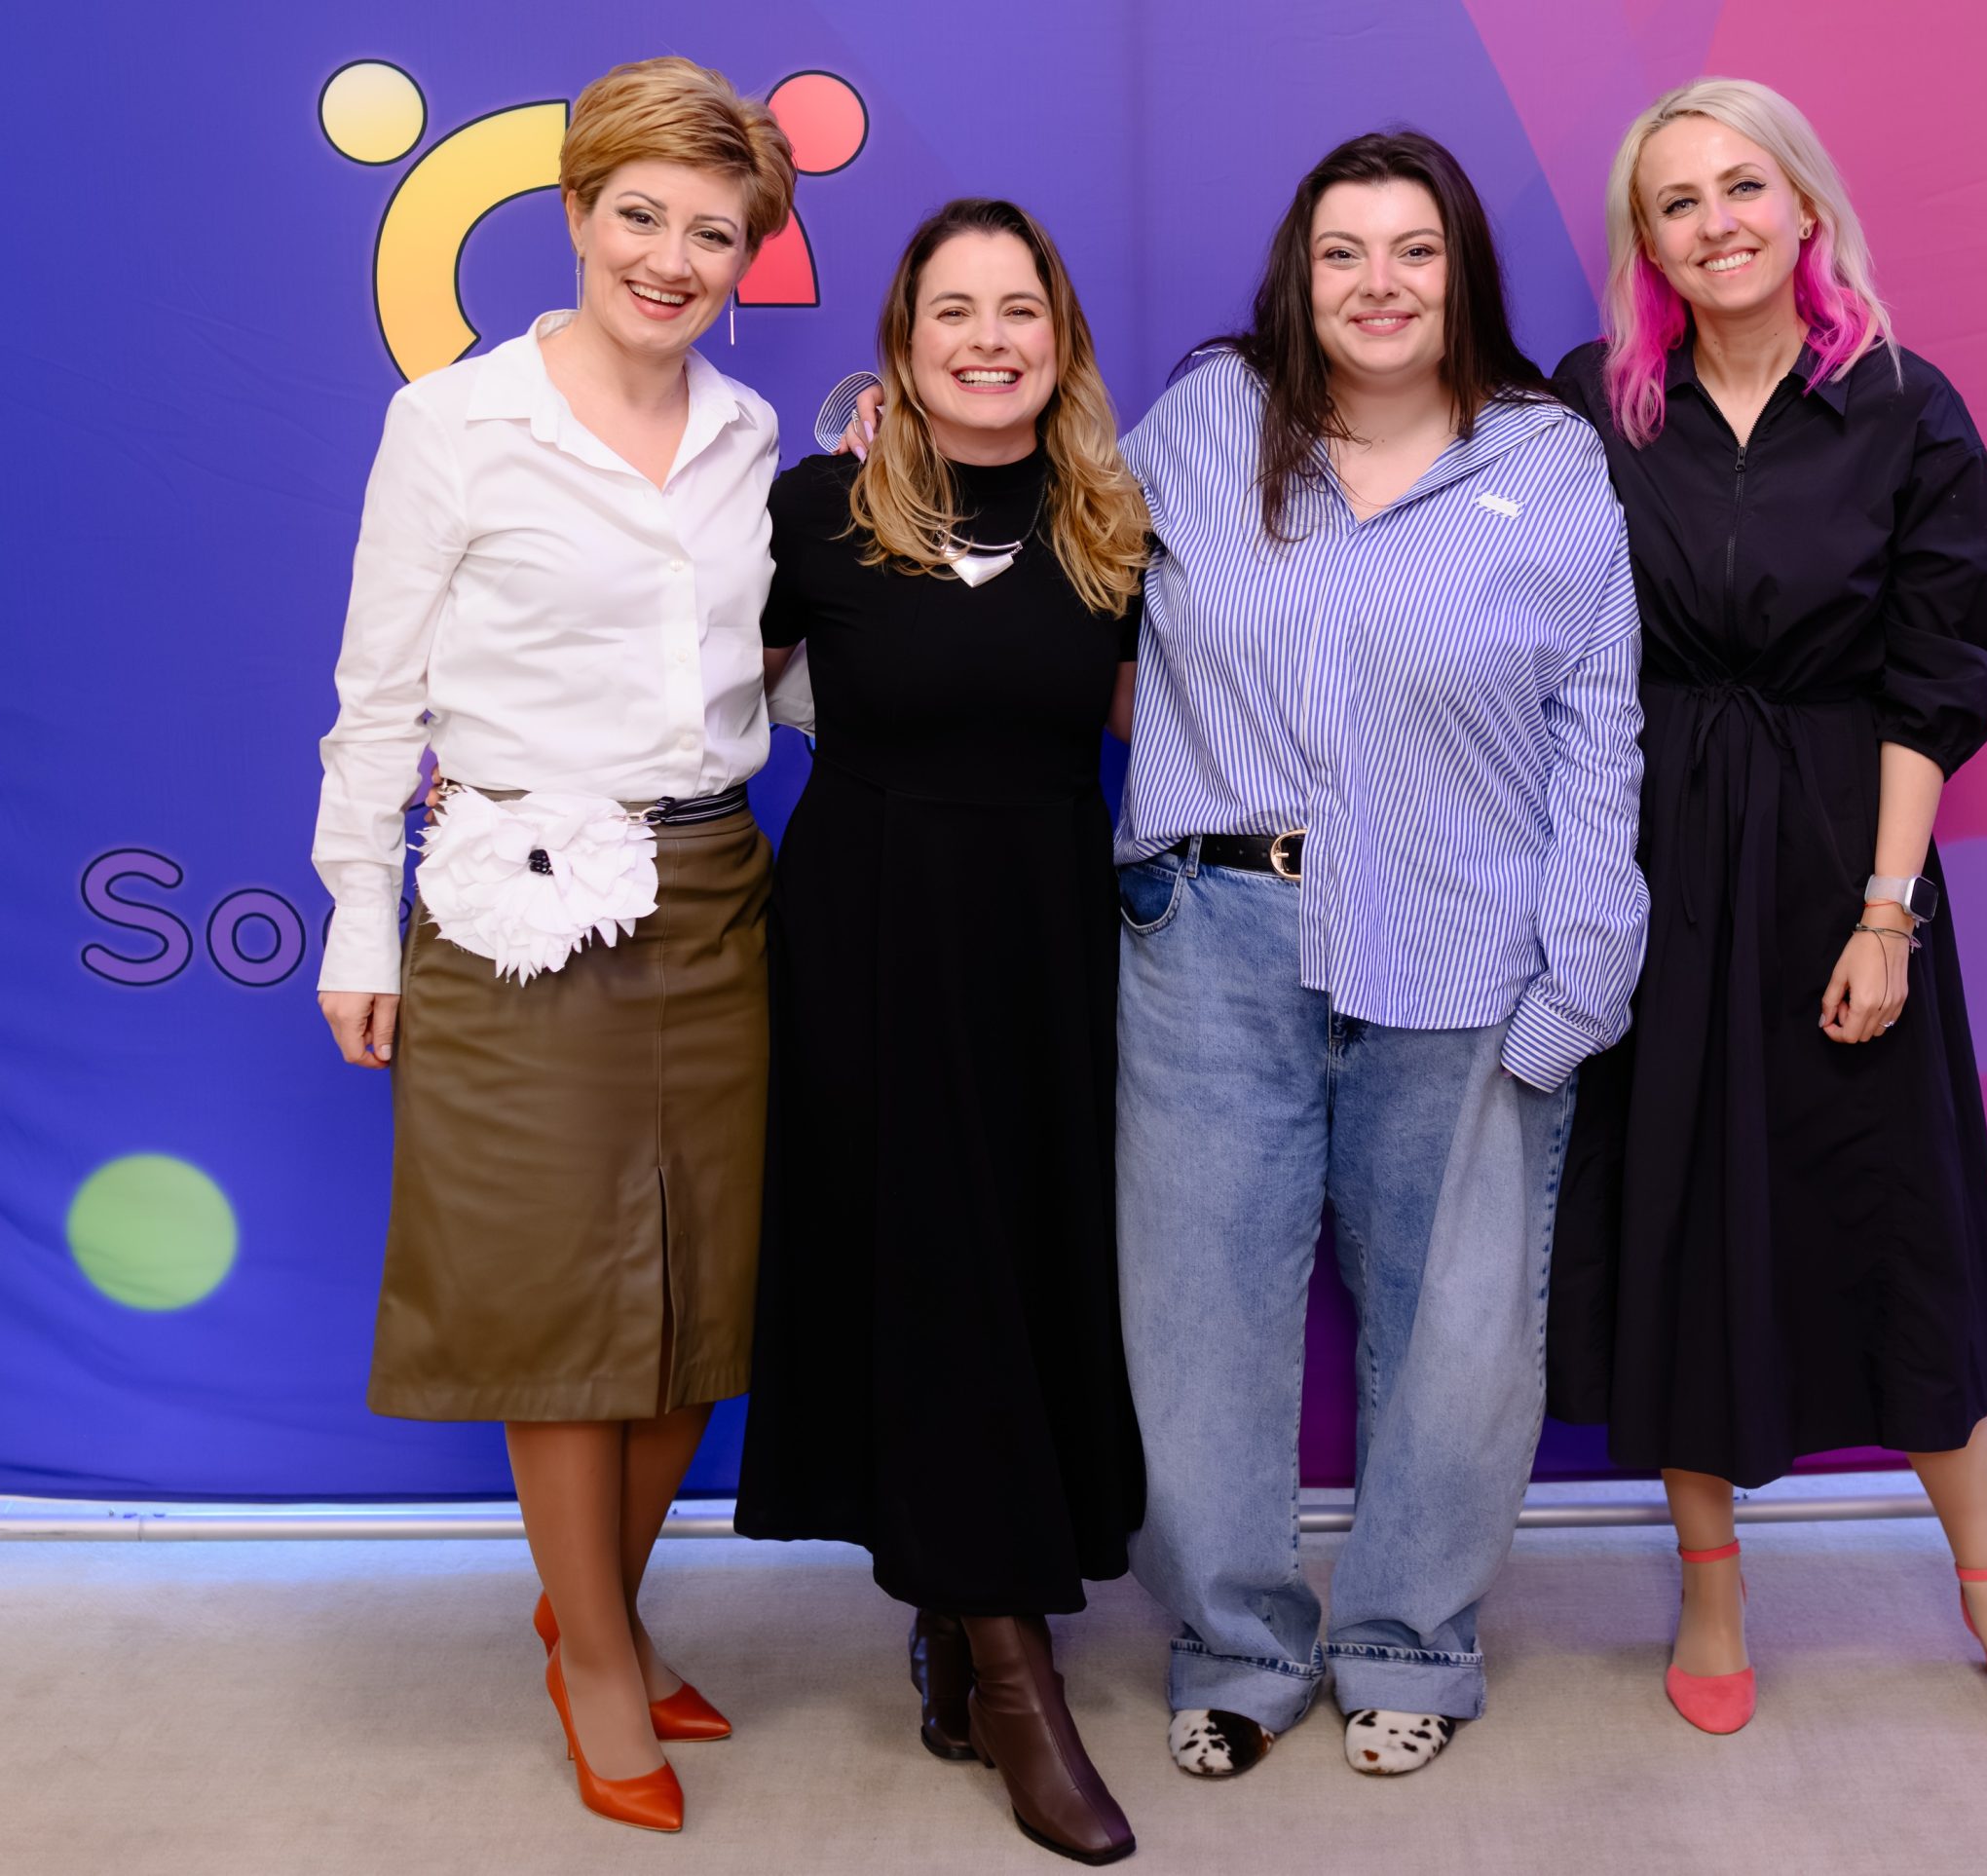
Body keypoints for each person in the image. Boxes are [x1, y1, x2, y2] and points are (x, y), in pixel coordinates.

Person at [1544, 77, 1987, 1752]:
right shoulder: (1592, 408)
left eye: (1741, 187)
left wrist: (1886, 910)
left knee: (1903, 1227)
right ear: (1646, 245)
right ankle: (1712, 1588)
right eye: (1677, 202)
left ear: (1804, 207)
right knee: (1684, 1222)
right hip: (1654, 867)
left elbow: (1941, 669)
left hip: (1847, 863)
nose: (1715, 223)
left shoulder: (1905, 408)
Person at [1113, 131, 1646, 1778]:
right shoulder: (1209, 419)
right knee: (1198, 1312)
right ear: (1301, 273)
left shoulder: (1548, 458)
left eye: (1413, 250)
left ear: (1460, 269)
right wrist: (882, 439)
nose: (1378, 284)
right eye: (1343, 252)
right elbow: (1057, 548)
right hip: (1214, 933)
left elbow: (1600, 725)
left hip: (1467, 940)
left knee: (1458, 1318)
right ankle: (1234, 1641)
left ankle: (1412, 1635)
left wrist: (1584, 968)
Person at [311, 57, 795, 1832]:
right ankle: (598, 1656)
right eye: (640, 216)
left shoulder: (755, 436)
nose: (671, 258)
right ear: (578, 214)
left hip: (713, 885)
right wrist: (358, 920)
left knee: (694, 1302)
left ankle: (589, 1603)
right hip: (517, 902)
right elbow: (376, 701)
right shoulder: (455, 422)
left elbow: (761, 673)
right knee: (560, 1307)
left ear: (749, 256)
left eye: (712, 233)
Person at [731, 198, 1146, 1866]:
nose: (988, 338)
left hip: (1045, 937)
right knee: (927, 1265)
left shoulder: (1114, 523)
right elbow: (700, 693)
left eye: (1018, 308)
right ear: (901, 346)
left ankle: (957, 1619)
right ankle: (1016, 1672)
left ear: (1062, 338)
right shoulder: (814, 511)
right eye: (952, 309)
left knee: (1022, 1269)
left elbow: (1172, 720)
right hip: (868, 937)